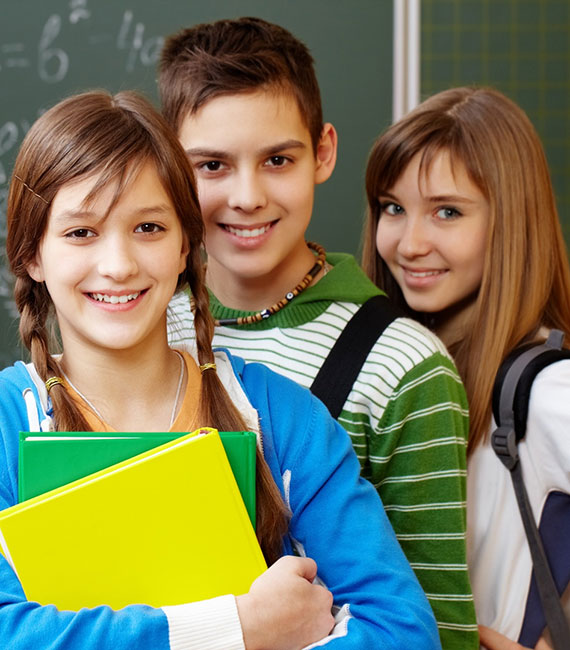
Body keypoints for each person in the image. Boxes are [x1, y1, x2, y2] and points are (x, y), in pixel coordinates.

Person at [0, 88, 441, 650]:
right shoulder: (8, 422)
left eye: (149, 228)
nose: (118, 265)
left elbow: (401, 630)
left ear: (187, 245)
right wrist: (240, 629)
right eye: (81, 232)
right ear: (33, 254)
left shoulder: (282, 418)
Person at [158, 16, 477, 648]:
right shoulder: (134, 325)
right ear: (169, 165)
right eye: (212, 165)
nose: (247, 196)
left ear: (323, 152)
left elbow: (435, 625)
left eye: (278, 159)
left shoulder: (404, 365)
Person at [363, 85, 570, 650]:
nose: (410, 242)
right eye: (393, 208)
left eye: (447, 212)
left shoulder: (545, 388)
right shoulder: (398, 371)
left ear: (511, 220)